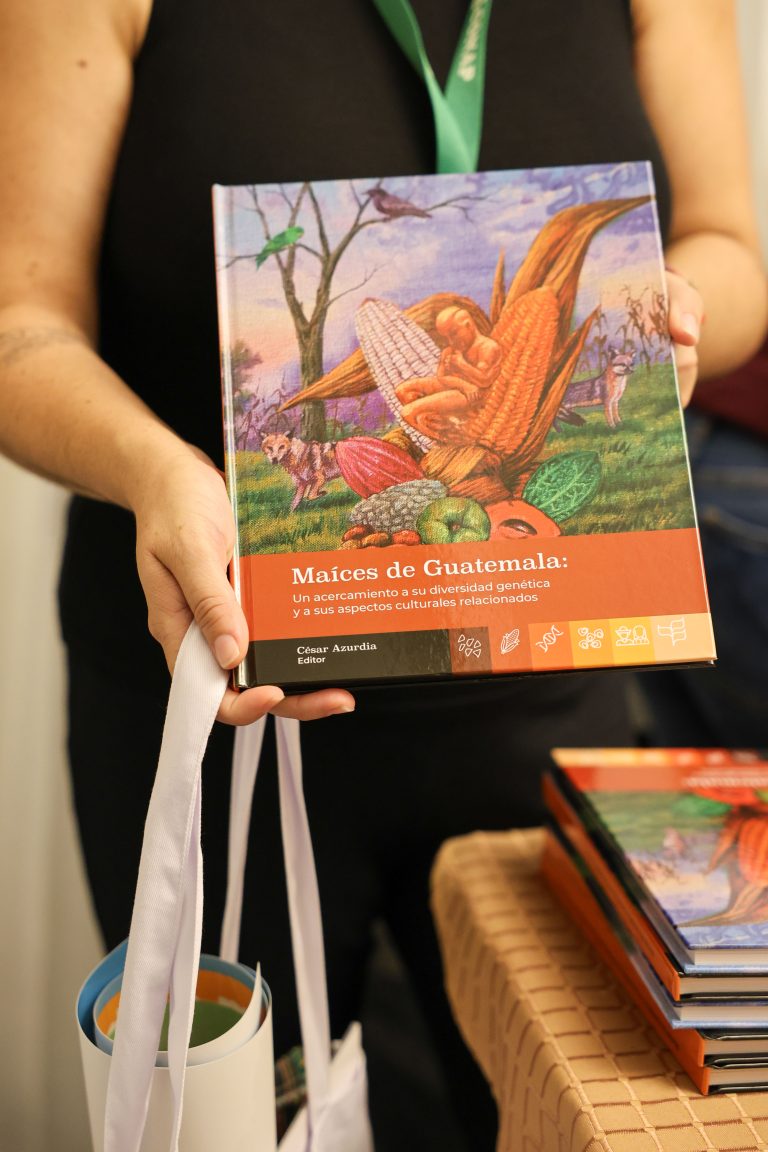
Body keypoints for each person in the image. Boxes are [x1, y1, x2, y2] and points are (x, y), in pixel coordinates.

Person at [0, 1, 766, 1147]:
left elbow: (728, 244)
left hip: (549, 701)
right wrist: (153, 469)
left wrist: (677, 310)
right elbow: (20, 324)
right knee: (239, 1127)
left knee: (562, 1116)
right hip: (224, 696)